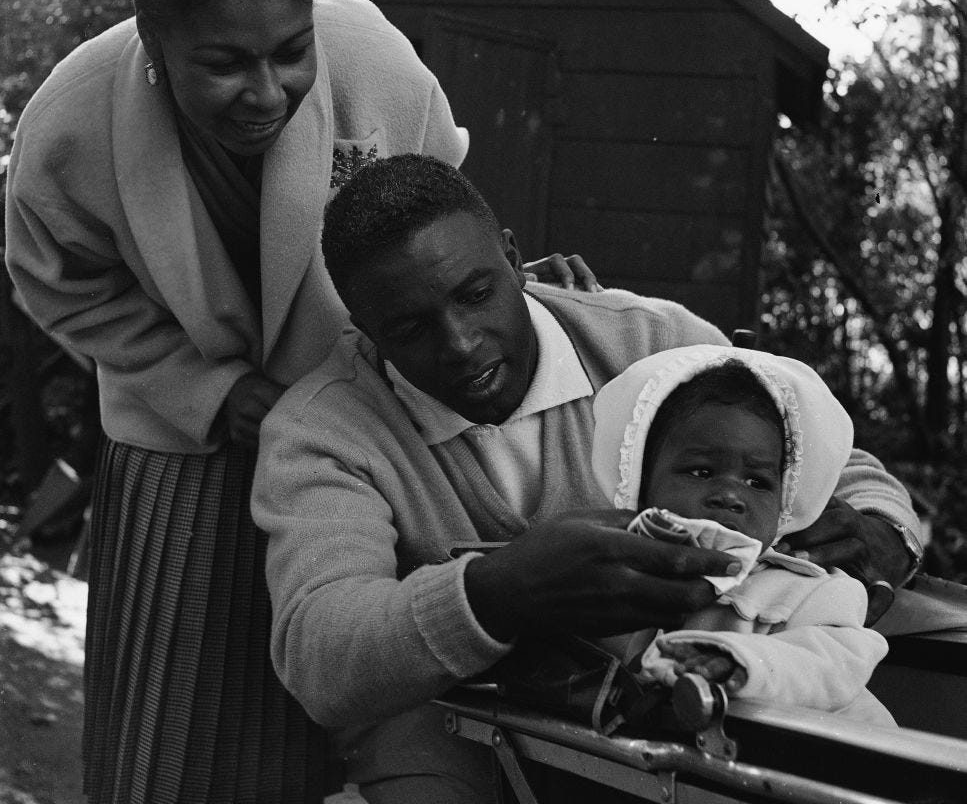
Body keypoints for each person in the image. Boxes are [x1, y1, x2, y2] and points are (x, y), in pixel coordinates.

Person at [2, 0, 588, 802]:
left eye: (288, 53)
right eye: (226, 64)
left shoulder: (374, 61)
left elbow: (436, 214)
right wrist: (205, 392)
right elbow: (61, 282)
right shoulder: (71, 123)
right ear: (152, 36)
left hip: (364, 440)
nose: (268, 93)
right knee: (180, 743)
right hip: (184, 458)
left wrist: (525, 288)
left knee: (369, 700)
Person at [252, 154, 921, 803]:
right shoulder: (323, 431)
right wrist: (497, 594)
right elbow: (320, 649)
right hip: (449, 725)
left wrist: (879, 527)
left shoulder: (653, 344)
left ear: (514, 260)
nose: (459, 342)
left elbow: (836, 460)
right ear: (363, 330)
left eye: (476, 294)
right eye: (409, 327)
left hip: (683, 704)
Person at [591, 345, 895, 725]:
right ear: (639, 481)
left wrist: (733, 662)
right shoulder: (612, 574)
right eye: (701, 471)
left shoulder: (811, 588)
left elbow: (833, 664)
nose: (732, 496)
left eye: (757, 481)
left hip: (841, 765)